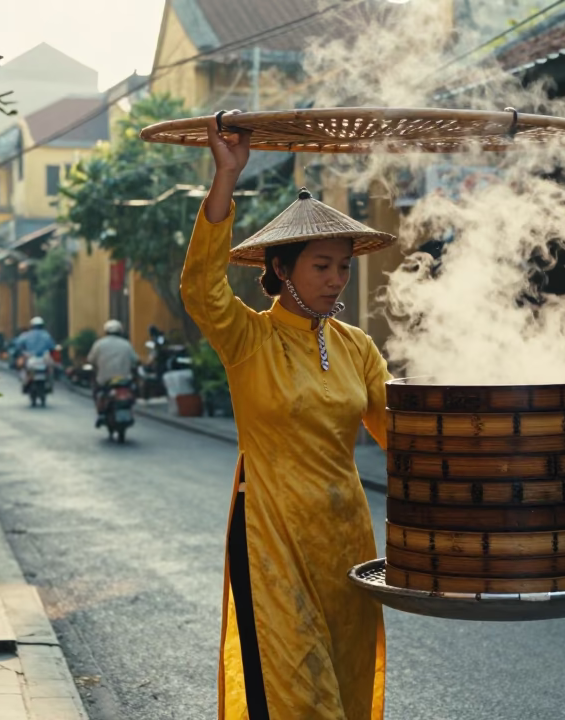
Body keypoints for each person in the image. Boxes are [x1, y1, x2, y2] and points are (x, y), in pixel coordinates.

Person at [182, 113, 396, 719]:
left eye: (343, 266)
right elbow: (201, 289)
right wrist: (227, 176)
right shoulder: (248, 338)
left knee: (349, 688)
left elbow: (399, 437)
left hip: (348, 540)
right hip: (271, 536)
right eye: (321, 266)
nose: (336, 280)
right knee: (294, 695)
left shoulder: (357, 346)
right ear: (281, 269)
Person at [86, 319, 139, 423]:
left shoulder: (99, 344)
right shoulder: (126, 344)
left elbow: (90, 359)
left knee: (97, 391)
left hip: (105, 380)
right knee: (133, 391)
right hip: (124, 379)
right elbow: (135, 360)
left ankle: (101, 412)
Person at [12, 317, 56, 391]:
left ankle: (24, 382)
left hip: (30, 357)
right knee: (51, 368)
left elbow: (18, 344)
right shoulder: (46, 335)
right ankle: (50, 384)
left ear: (32, 326)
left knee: (22, 367)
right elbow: (52, 346)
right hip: (44, 358)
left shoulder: (26, 335)